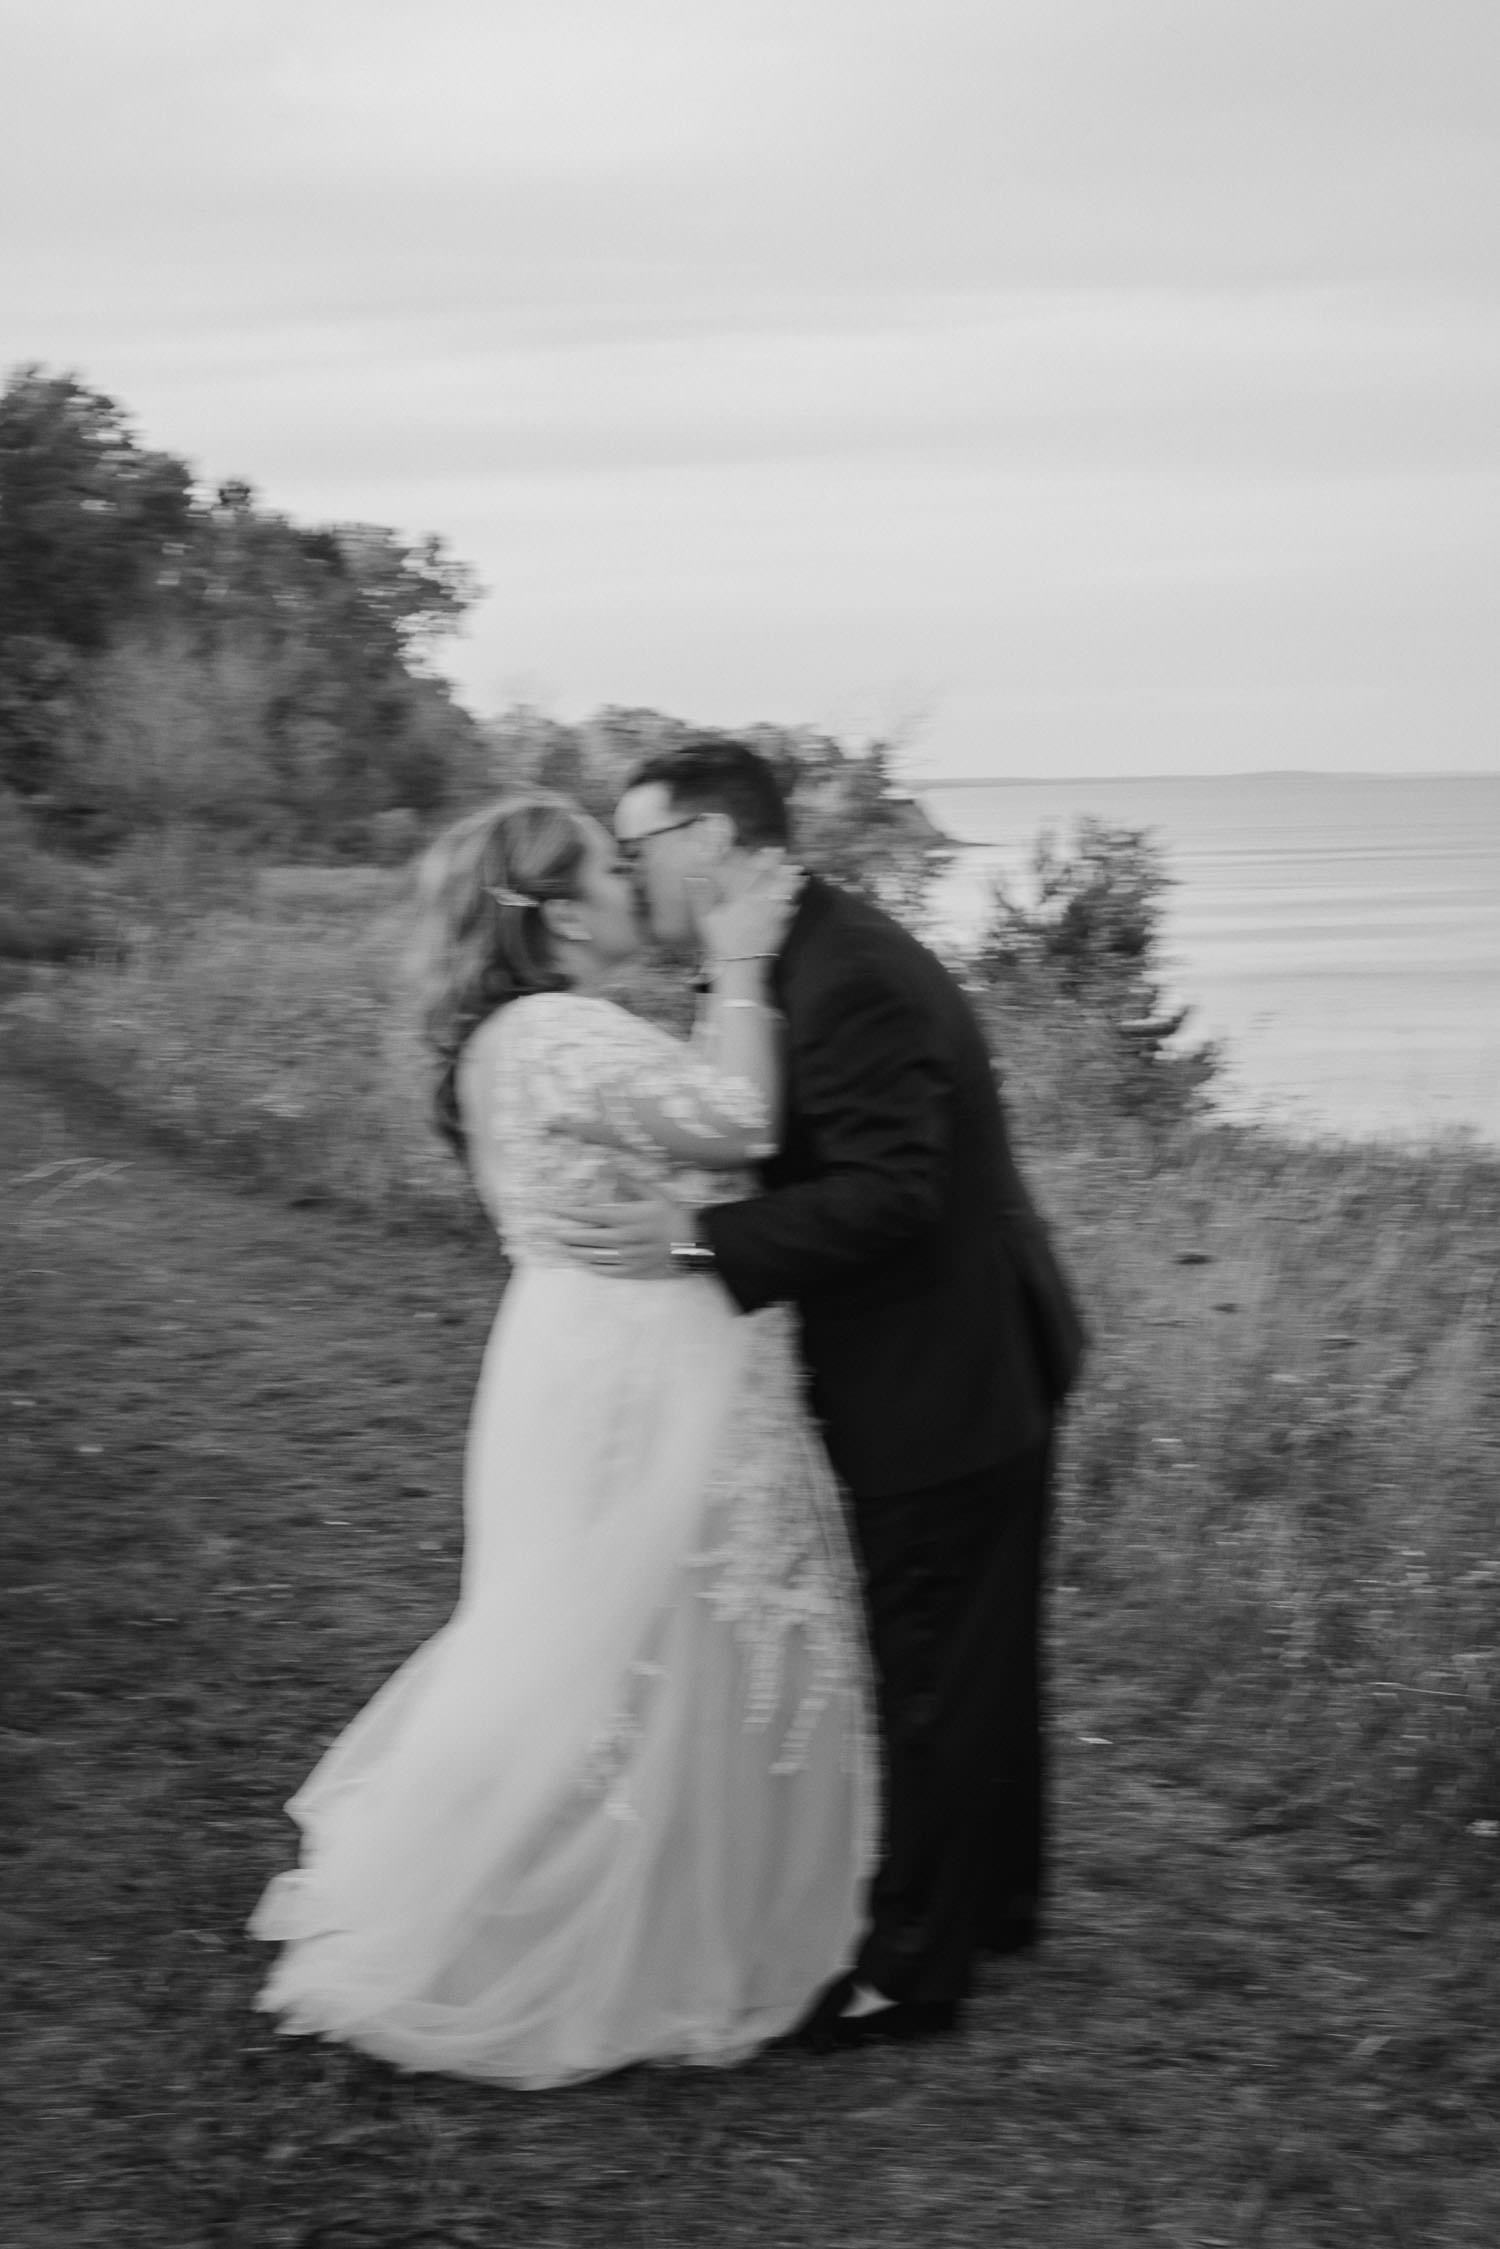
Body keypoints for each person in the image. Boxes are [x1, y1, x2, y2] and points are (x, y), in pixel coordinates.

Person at [249, 791, 877, 2088]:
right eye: (607, 864)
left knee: (590, 1626)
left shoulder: (501, 1038)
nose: (629, 882)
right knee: (646, 1630)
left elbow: (675, 1128)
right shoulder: (563, 1026)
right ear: (561, 911)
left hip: (566, 1344)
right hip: (641, 1358)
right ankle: (624, 1927)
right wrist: (749, 964)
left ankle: (610, 1889)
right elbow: (736, 1124)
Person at [563, 737, 1086, 2047]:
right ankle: (992, 1901)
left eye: (637, 851)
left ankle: (912, 1972)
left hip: (942, 1366)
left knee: (934, 1659)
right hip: (965, 1350)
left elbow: (893, 1193)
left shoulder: (843, 975)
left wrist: (695, 1241)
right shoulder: (808, 953)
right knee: (974, 1654)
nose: (632, 876)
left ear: (709, 842)